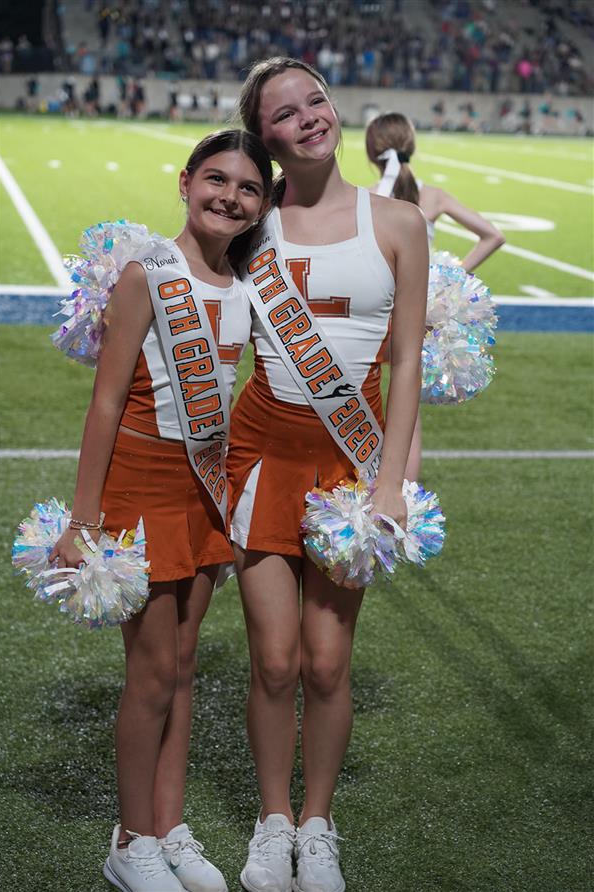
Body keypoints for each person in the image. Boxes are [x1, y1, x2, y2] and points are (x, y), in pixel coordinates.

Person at [49, 129, 272, 892]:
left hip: (204, 493)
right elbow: (107, 401)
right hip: (140, 488)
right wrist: (84, 520)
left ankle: (169, 827)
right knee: (149, 674)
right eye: (216, 179)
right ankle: (130, 839)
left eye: (248, 188)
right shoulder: (147, 274)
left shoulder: (246, 287)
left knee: (181, 667)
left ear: (262, 205)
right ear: (185, 182)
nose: (229, 197)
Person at [228, 58, 429, 892]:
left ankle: (318, 825)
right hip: (260, 458)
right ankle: (273, 822)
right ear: (263, 136)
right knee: (275, 661)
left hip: (352, 464)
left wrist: (392, 480)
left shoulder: (399, 222)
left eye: (316, 100)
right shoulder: (247, 223)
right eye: (286, 112)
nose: (309, 117)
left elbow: (408, 360)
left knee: (326, 663)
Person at [365, 112, 505, 480]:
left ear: (371, 152)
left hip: (375, 312)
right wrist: (448, 279)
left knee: (361, 399)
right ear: (410, 146)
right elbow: (493, 235)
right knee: (407, 416)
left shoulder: (367, 198)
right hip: (417, 314)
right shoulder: (433, 196)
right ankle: (404, 495)